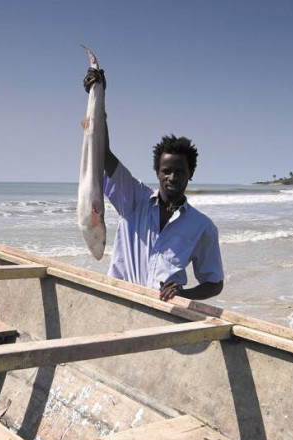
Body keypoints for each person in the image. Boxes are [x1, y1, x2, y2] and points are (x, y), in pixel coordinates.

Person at [84, 69, 223, 302]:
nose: (172, 177)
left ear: (191, 174)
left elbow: (214, 283)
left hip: (164, 311)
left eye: (179, 172)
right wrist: (98, 95)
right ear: (157, 173)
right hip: (119, 300)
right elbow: (104, 155)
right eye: (166, 171)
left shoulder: (202, 226)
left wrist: (183, 294)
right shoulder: (134, 199)